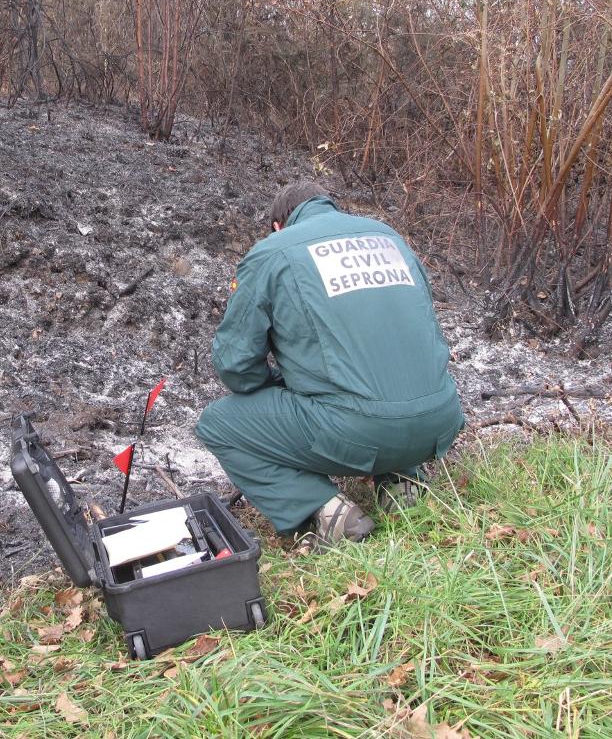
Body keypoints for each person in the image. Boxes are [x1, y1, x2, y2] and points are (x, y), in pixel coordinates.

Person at [196, 181, 463, 549]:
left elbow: (235, 366)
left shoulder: (273, 252)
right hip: (442, 420)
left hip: (359, 430)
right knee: (380, 376)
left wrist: (278, 382)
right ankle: (402, 486)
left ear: (278, 225)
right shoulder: (388, 238)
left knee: (218, 424)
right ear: (331, 207)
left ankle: (325, 514)